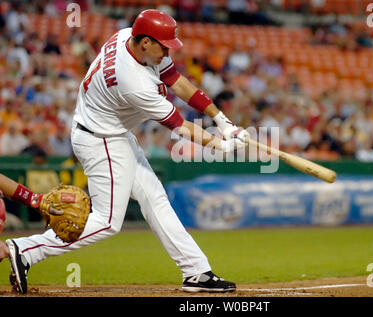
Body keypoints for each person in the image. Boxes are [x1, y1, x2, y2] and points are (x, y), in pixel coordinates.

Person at [5, 9, 249, 295]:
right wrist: (221, 145)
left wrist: (222, 120)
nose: (168, 52)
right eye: (164, 46)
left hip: (110, 133)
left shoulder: (127, 36)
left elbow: (177, 81)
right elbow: (180, 126)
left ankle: (196, 272)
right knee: (107, 222)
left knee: (154, 198)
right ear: (145, 42)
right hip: (102, 141)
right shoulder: (134, 82)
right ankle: (24, 250)